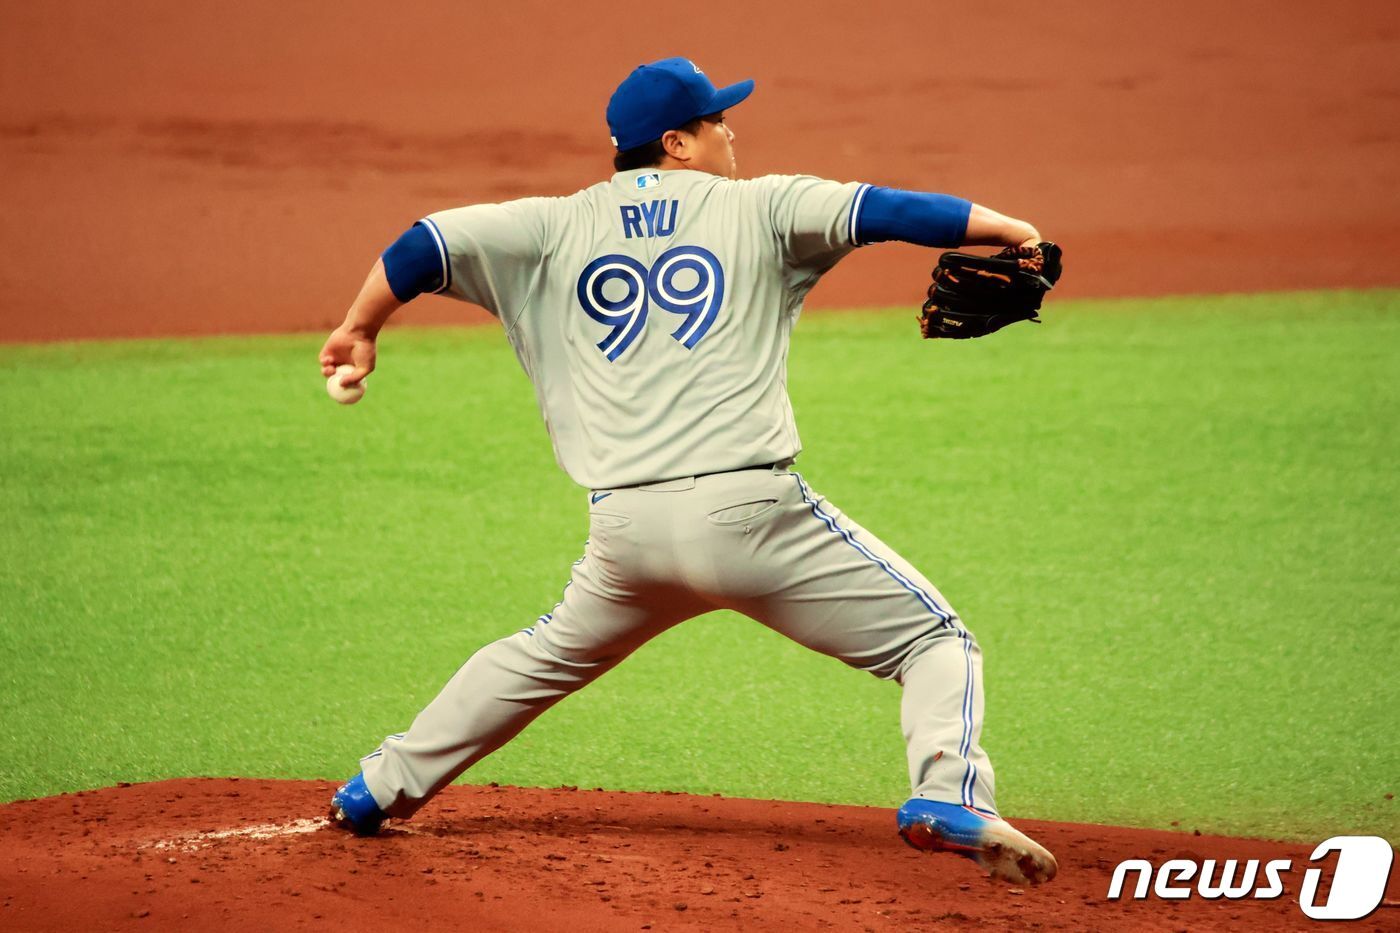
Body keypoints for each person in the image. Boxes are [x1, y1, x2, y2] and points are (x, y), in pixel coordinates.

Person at [318, 56, 1057, 885]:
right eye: (716, 122)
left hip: (626, 535)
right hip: (751, 517)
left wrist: (360, 327)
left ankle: (377, 786)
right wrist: (1012, 230)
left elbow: (423, 244)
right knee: (934, 640)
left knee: (542, 656)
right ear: (677, 142)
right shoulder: (763, 205)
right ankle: (947, 793)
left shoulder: (548, 226)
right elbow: (889, 210)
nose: (730, 133)